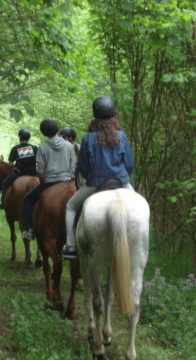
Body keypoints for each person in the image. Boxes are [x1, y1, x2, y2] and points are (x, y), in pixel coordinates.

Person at [62, 96, 135, 259]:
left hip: (96, 184)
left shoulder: (88, 138)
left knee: (70, 207)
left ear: (95, 114)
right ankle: (139, 244)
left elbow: (83, 167)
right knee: (141, 205)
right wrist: (123, 176)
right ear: (112, 113)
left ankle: (71, 246)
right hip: (121, 182)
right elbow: (129, 163)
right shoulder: (121, 136)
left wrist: (91, 178)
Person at [21, 119, 76, 240]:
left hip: (49, 182)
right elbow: (73, 167)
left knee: (28, 199)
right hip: (67, 181)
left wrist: (43, 181)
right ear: (57, 129)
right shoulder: (69, 146)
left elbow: (40, 171)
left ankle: (28, 229)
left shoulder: (42, 147)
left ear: (44, 133)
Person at [0, 129, 38, 209]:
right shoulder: (35, 148)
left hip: (19, 174)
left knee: (4, 184)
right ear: (29, 137)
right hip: (33, 173)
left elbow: (11, 164)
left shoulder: (15, 148)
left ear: (19, 137)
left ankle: (3, 203)